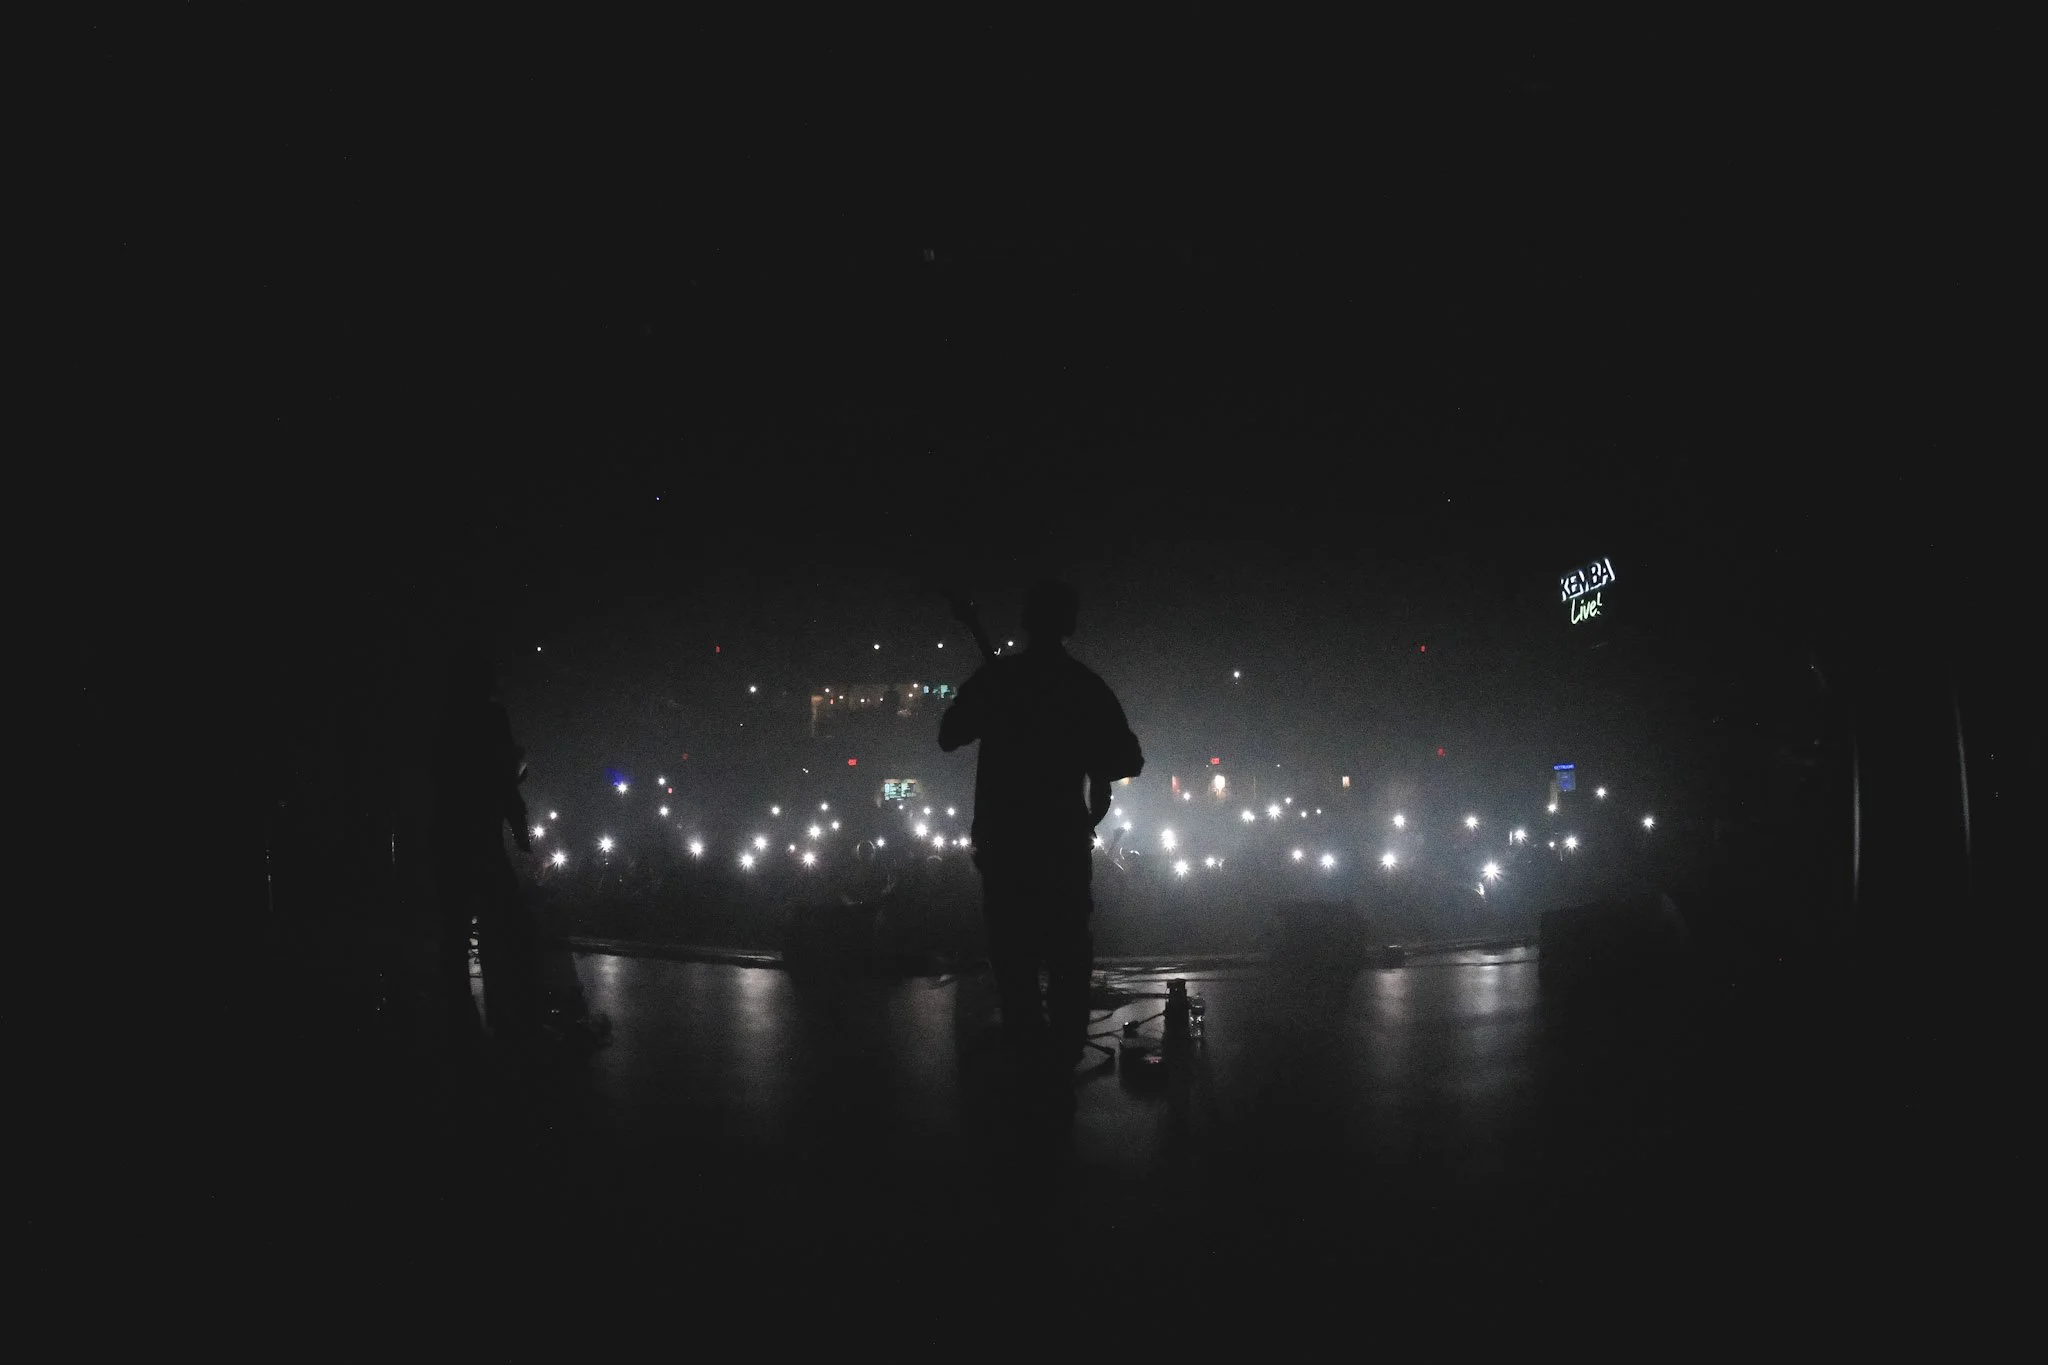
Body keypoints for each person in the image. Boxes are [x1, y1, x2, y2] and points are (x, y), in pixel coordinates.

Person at [939, 580, 1143, 1116]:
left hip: (1007, 843)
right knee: (1069, 954)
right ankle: (1060, 1061)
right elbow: (1128, 757)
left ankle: (1030, 1060)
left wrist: (995, 704)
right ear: (1068, 624)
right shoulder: (1084, 687)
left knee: (1014, 957)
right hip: (1060, 843)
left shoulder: (1001, 680)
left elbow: (949, 733)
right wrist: (1087, 755)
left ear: (1027, 622)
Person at [432, 642, 545, 1047]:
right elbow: (502, 778)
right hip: (483, 838)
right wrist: (520, 829)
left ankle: (458, 1017)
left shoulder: (443, 719)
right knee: (502, 922)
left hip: (449, 837)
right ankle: (506, 1012)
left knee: (455, 929)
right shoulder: (491, 717)